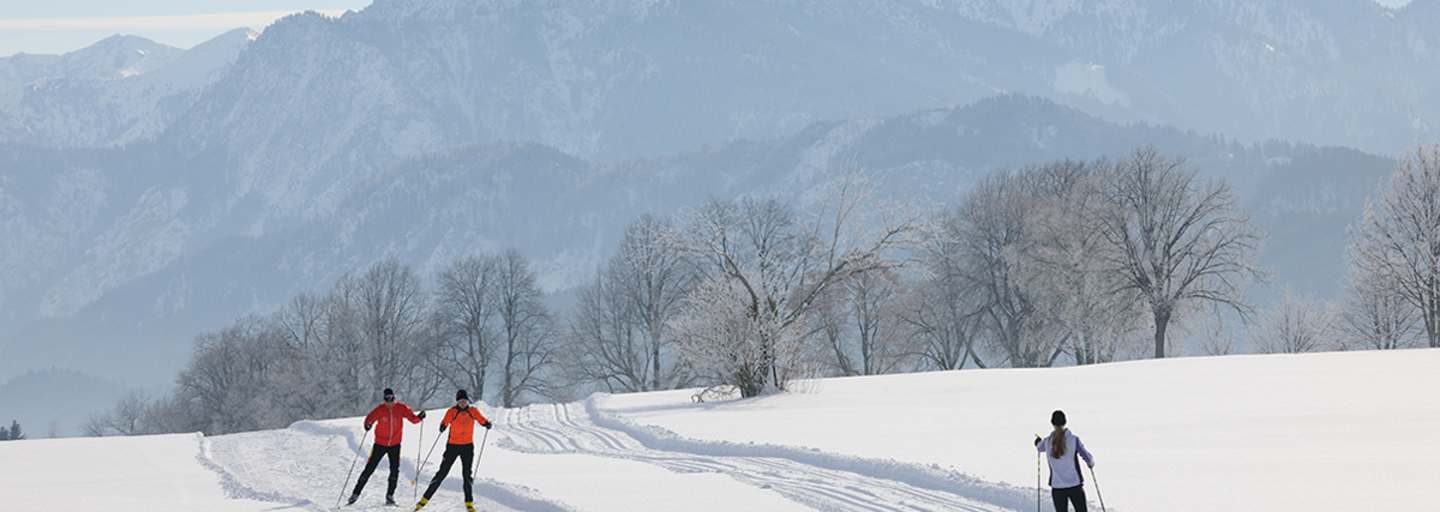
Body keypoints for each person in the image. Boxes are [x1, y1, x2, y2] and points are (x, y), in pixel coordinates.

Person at [415, 389, 493, 512]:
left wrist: (486, 424)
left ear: (467, 401)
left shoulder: (473, 411)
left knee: (467, 475)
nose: (463, 403)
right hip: (452, 447)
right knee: (442, 473)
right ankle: (424, 499)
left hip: (467, 447)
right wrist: (442, 427)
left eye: (465, 401)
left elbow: (481, 419)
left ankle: (469, 503)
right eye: (461, 401)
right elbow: (445, 422)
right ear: (457, 401)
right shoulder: (452, 411)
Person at [348, 388, 426, 506]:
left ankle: (390, 496)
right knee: (370, 468)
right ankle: (355, 493)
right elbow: (369, 418)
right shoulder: (380, 410)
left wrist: (419, 417)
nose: (389, 402)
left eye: (391, 399)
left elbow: (412, 419)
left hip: (395, 445)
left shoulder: (401, 408)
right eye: (387, 399)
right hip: (380, 444)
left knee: (394, 470)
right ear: (384, 399)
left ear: (394, 398)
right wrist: (367, 425)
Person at [1034, 410, 1095, 512]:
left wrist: (1037, 441)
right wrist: (1091, 464)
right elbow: (1089, 459)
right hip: (1075, 485)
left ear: (1052, 423)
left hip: (1057, 487)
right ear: (1065, 422)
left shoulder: (1047, 441)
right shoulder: (1074, 440)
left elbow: (1039, 447)